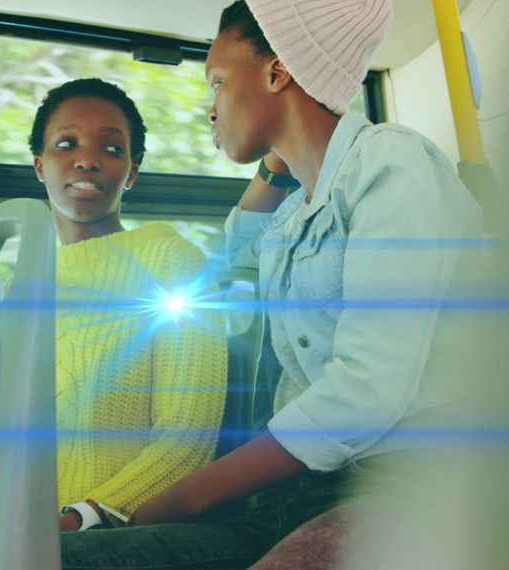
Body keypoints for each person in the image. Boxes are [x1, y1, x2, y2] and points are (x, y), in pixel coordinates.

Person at [61, 1, 482, 568]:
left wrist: (188, 493)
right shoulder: (293, 218)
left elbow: (366, 390)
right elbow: (233, 254)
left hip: (404, 484)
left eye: (217, 82)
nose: (211, 111)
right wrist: (278, 163)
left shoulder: (392, 166)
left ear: (277, 71)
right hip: (294, 498)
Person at [28, 78, 228, 533]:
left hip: (120, 528)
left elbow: (187, 438)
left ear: (131, 173)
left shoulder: (169, 258)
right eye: (66, 144)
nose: (87, 159)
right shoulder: (27, 287)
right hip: (27, 529)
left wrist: (83, 517)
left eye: (112, 150)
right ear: (40, 166)